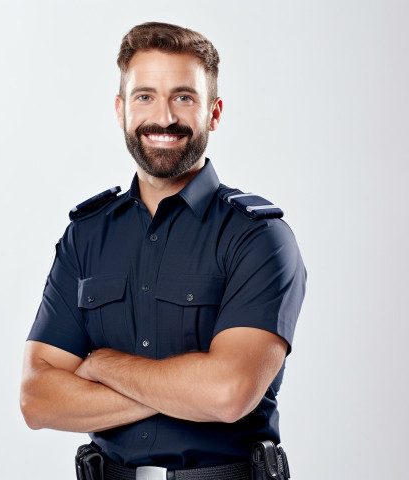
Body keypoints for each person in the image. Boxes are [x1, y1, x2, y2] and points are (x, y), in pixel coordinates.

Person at [20, 22, 306, 480]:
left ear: (213, 112)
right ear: (121, 109)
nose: (165, 118)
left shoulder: (258, 239)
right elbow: (37, 399)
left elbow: (229, 393)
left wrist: (102, 366)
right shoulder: (86, 237)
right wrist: (181, 391)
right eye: (145, 96)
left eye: (184, 97)